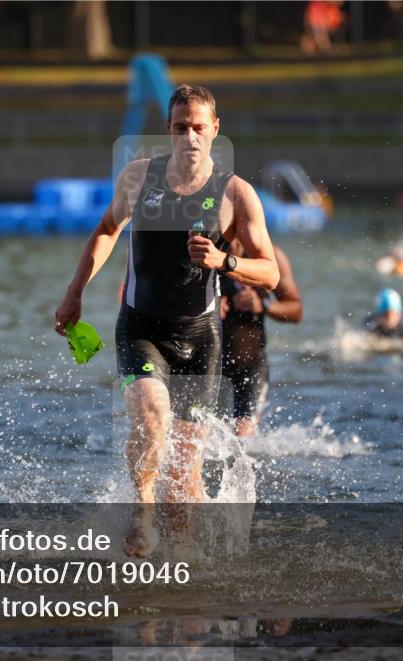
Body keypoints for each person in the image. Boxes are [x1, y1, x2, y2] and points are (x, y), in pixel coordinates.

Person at [54, 84, 279, 558]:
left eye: (200, 127)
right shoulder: (140, 178)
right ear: (169, 131)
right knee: (153, 419)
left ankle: (182, 567)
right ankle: (142, 516)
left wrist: (224, 262)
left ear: (216, 130)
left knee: (184, 470)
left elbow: (271, 273)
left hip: (201, 338)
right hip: (142, 328)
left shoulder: (236, 194)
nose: (191, 137)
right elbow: (106, 231)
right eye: (181, 128)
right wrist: (75, 293)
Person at [219, 240, 302, 437]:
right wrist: (206, 308)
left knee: (242, 438)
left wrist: (262, 305)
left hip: (250, 364)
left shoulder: (269, 256)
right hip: (207, 363)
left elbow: (296, 310)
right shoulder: (204, 251)